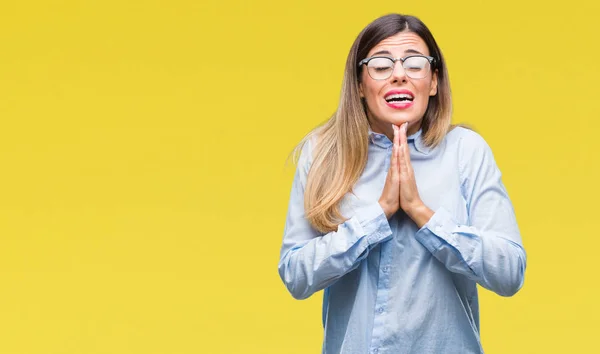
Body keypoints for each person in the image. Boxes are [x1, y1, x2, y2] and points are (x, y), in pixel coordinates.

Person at [277, 13, 526, 354]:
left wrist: (421, 212)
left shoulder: (466, 152)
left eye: (414, 64)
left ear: (434, 81)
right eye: (380, 66)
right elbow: (295, 274)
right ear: (360, 85)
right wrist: (377, 216)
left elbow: (509, 271)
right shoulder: (322, 154)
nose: (398, 75)